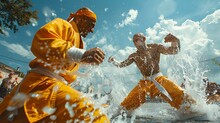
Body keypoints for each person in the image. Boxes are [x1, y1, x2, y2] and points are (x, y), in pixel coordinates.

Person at [0, 7, 109, 123]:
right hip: (42, 86)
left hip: (53, 89)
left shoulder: (78, 42)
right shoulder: (63, 25)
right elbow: (41, 41)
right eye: (91, 24)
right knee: (95, 115)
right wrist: (81, 54)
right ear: (80, 19)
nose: (92, 30)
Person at [108, 33, 196, 118]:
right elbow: (121, 65)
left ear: (144, 39)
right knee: (127, 103)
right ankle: (123, 112)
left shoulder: (155, 47)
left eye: (137, 40)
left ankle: (193, 108)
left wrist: (175, 41)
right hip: (145, 82)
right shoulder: (134, 56)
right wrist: (113, 61)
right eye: (134, 41)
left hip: (158, 79)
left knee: (178, 93)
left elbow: (173, 51)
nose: (135, 43)